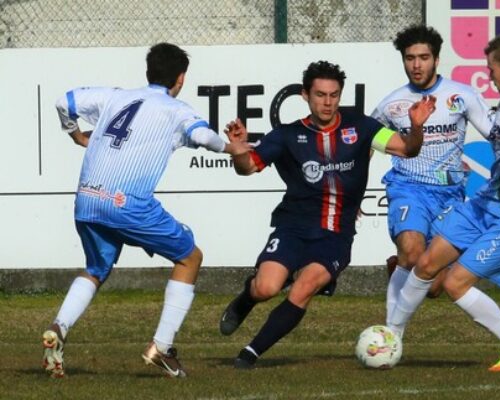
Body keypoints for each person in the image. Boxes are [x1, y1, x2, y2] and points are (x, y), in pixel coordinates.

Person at [42, 42, 249, 378]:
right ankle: (162, 348)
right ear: (180, 78)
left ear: (148, 71)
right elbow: (202, 136)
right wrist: (231, 146)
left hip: (87, 200)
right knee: (190, 257)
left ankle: (58, 328)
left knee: (96, 267)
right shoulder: (176, 109)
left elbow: (62, 101)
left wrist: (76, 136)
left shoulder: (115, 96)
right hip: (127, 204)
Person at [219, 60, 436, 369]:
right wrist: (240, 149)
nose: (327, 102)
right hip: (292, 227)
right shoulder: (287, 135)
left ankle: (249, 354)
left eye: (334, 95)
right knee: (265, 287)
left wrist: (416, 127)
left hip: (336, 234)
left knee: (305, 286)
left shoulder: (361, 127)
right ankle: (246, 298)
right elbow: (248, 168)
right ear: (306, 95)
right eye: (320, 95)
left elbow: (407, 149)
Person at [387, 34, 500, 372]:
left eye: (491, 69)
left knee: (454, 283)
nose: (488, 75)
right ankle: (391, 338)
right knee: (425, 264)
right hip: (486, 201)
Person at [371, 25, 494, 326]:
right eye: (410, 58)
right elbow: (367, 142)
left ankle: (397, 266)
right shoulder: (392, 104)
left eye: (423, 57)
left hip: (450, 194)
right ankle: (390, 338)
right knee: (413, 254)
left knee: (435, 286)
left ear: (436, 60)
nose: (416, 65)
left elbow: (495, 134)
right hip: (408, 187)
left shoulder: (462, 96)